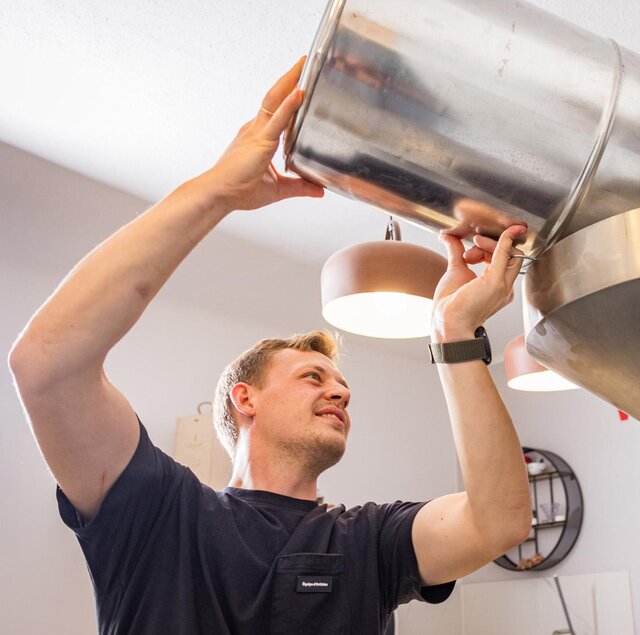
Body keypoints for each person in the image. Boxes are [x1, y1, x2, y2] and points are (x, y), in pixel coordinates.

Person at [7, 58, 532, 634]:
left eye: (341, 384)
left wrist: (453, 334)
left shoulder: (370, 541)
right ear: (245, 398)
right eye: (313, 376)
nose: (339, 391)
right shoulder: (161, 513)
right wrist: (216, 192)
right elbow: (47, 361)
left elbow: (499, 522)